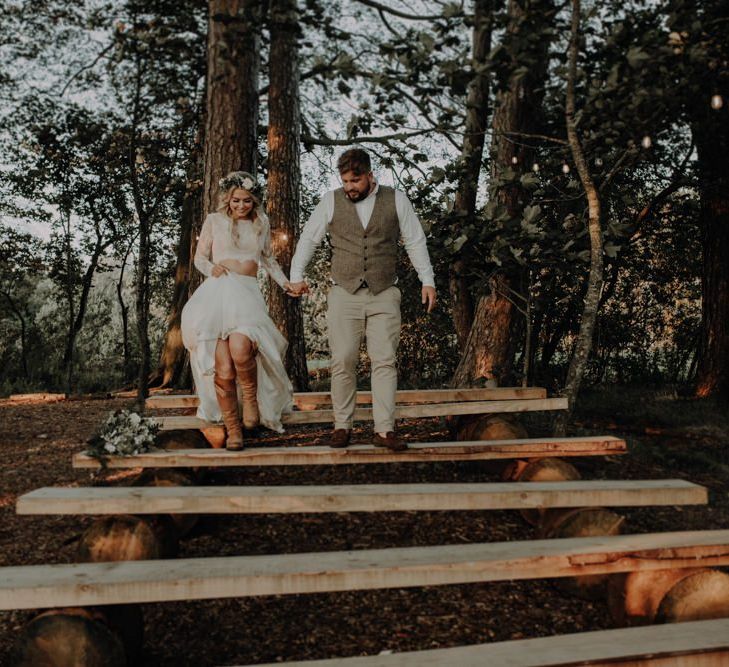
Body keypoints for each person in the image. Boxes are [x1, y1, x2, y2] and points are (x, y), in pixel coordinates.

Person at [288, 148, 436, 451]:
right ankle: (342, 425)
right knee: (343, 360)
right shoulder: (331, 200)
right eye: (345, 181)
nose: (349, 187)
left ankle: (384, 431)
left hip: (384, 293)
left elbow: (414, 239)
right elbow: (309, 238)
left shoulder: (395, 198)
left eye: (355, 180)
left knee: (384, 361)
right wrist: (295, 275)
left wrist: (428, 280)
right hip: (344, 293)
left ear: (370, 175)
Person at [181, 171, 295, 450]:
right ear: (228, 200)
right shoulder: (214, 221)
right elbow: (199, 257)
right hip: (218, 293)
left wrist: (286, 284)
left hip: (247, 295)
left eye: (246, 201)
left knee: (242, 349)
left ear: (254, 201)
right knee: (223, 367)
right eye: (236, 200)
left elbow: (268, 260)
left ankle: (252, 399)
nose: (241, 206)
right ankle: (233, 429)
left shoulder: (261, 223)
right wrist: (211, 268)